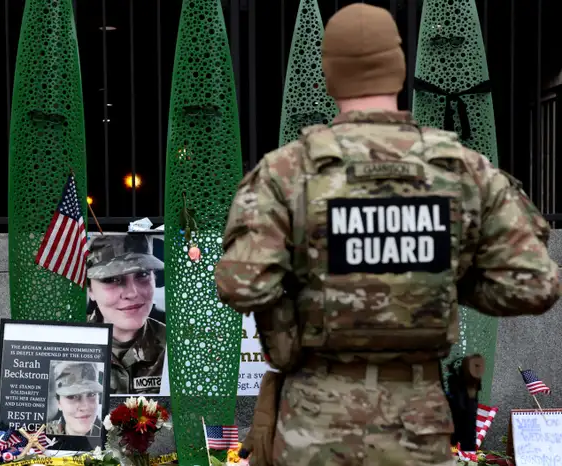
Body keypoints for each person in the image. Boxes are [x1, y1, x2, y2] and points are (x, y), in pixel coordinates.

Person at [215, 4, 560, 466]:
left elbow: (241, 283)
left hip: (312, 426)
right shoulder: (461, 170)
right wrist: (440, 278)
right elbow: (536, 284)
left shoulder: (286, 172)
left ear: (329, 76)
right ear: (398, 72)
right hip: (418, 423)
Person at [86, 234, 166, 395]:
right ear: (90, 290)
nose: (132, 293)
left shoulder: (177, 347)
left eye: (142, 274)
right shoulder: (69, 344)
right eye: (111, 279)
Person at [46, 362, 104, 437]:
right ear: (59, 402)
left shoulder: (112, 435)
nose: (85, 407)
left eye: (92, 394)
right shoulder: (43, 434)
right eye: (72, 396)